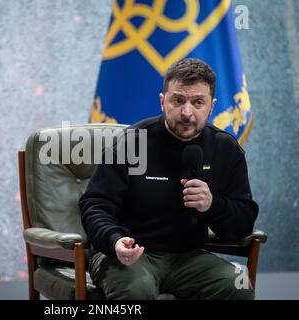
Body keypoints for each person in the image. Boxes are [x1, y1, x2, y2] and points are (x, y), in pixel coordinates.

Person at [79, 58, 258, 300]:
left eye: (197, 102)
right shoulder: (133, 142)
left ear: (211, 106)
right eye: (178, 100)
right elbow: (95, 206)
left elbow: (243, 223)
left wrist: (212, 205)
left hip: (188, 257)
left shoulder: (225, 149)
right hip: (128, 255)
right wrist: (115, 240)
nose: (187, 112)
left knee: (237, 287)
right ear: (163, 102)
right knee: (136, 290)